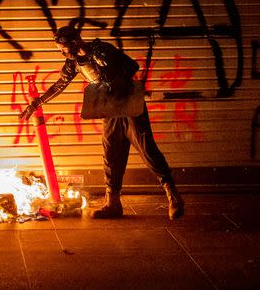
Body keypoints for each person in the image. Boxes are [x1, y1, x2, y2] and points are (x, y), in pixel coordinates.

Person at [20, 26, 184, 220]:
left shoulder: (102, 50)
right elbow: (60, 84)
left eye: (63, 48)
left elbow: (132, 66)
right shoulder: (73, 63)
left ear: (74, 42)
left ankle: (172, 195)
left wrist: (109, 68)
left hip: (129, 103)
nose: (62, 52)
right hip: (110, 108)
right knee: (111, 152)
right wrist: (37, 102)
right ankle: (112, 203)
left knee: (146, 148)